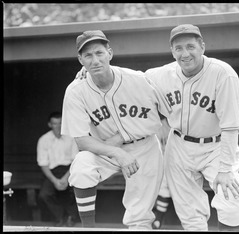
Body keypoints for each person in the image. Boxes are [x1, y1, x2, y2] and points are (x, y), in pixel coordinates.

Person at [61, 30, 172, 229]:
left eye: (99, 53)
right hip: (107, 148)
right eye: (88, 55)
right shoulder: (75, 91)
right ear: (80, 60)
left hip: (145, 146)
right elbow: (82, 141)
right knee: (82, 165)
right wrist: (117, 152)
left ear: (110, 53)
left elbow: (168, 109)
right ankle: (89, 228)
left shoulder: (138, 79)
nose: (95, 60)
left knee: (139, 216)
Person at [145, 24, 239, 231]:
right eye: (179, 48)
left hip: (215, 146)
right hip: (179, 146)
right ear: (172, 52)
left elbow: (230, 127)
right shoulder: (160, 75)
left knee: (231, 197)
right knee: (190, 214)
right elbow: (128, 80)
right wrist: (86, 73)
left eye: (191, 46)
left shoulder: (223, 74)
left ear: (202, 46)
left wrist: (226, 169)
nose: (185, 54)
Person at [37, 111, 79, 227]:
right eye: (55, 123)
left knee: (79, 190)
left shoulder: (72, 138)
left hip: (70, 170)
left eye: (61, 123)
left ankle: (71, 217)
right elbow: (43, 164)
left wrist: (66, 178)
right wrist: (55, 181)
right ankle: (60, 217)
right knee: (44, 195)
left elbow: (75, 160)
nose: (58, 126)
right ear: (50, 125)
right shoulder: (43, 139)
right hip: (52, 173)